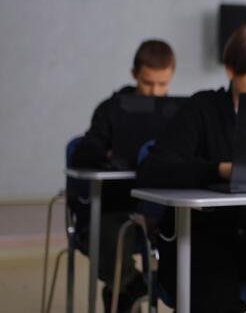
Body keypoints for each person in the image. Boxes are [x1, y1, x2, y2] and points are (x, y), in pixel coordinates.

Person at [138, 23, 246, 313]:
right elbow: (152, 169)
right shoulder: (202, 108)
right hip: (202, 243)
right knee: (216, 297)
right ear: (232, 70)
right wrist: (218, 170)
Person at [69, 39, 176, 313]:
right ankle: (135, 286)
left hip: (160, 206)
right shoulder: (111, 109)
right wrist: (109, 154)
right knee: (107, 235)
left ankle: (136, 290)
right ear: (134, 75)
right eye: (148, 83)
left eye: (162, 85)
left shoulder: (176, 112)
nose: (155, 92)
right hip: (116, 205)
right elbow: (84, 152)